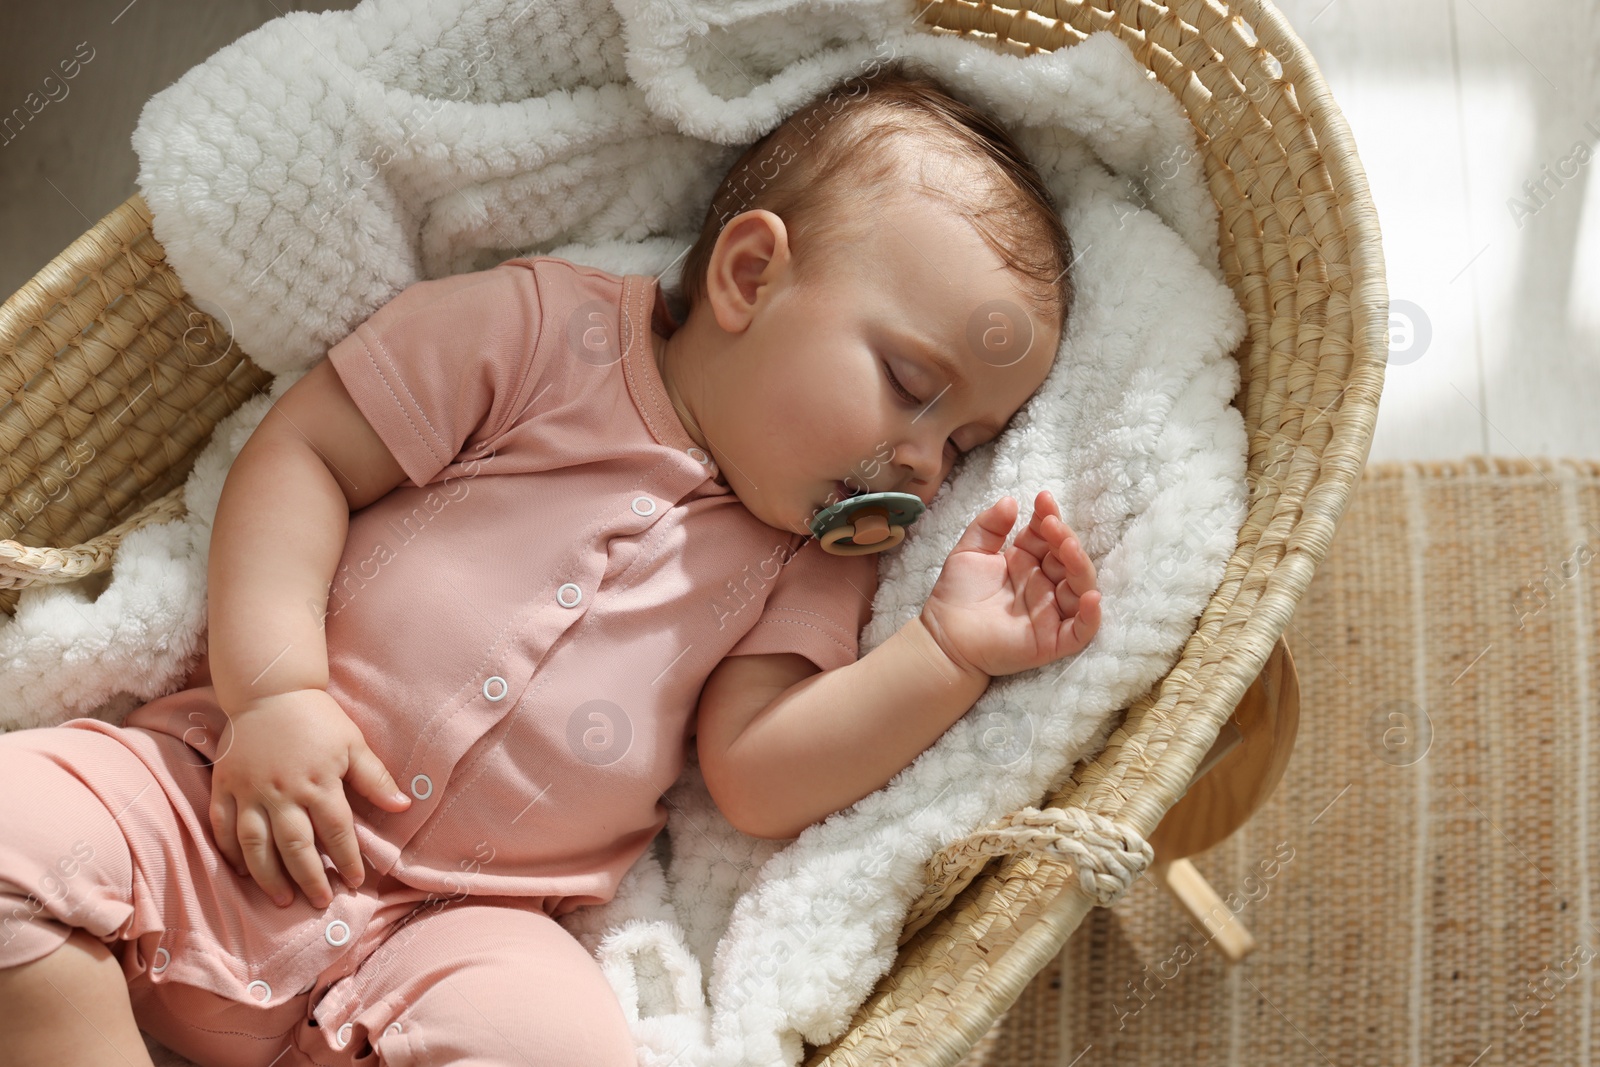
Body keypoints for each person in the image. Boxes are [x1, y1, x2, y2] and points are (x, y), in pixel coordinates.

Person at [0, 57, 1099, 1067]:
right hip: (218, 802)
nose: (919, 459)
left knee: (557, 1043)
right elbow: (306, 456)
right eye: (911, 385)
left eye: (960, 445)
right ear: (751, 274)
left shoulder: (814, 558)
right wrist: (274, 689)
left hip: (456, 931)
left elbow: (760, 772)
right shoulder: (538, 333)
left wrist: (948, 649)